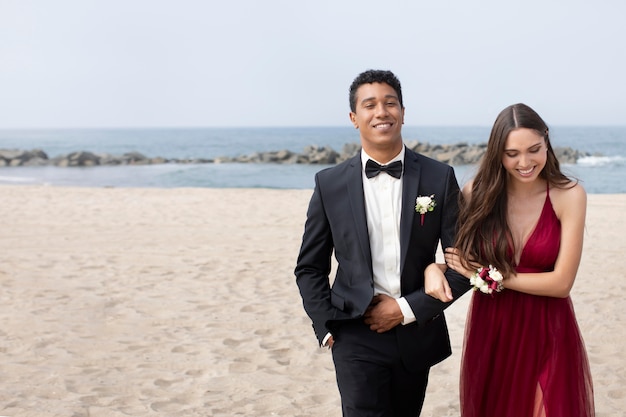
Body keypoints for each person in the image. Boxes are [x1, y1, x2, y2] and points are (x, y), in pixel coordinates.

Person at [294, 69, 471, 417]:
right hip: (353, 333)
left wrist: (405, 309)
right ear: (354, 117)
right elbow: (309, 267)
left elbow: (463, 265)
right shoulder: (329, 184)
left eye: (390, 103)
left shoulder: (439, 176)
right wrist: (325, 325)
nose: (381, 112)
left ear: (403, 113)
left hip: (415, 330)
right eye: (370, 105)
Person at [426, 103, 595, 416]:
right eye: (512, 153)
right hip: (493, 327)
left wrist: (493, 277)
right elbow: (460, 260)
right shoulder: (475, 193)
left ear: (547, 141)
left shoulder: (569, 195)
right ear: (497, 152)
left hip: (549, 327)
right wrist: (432, 268)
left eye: (534, 150)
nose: (525, 162)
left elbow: (562, 283)